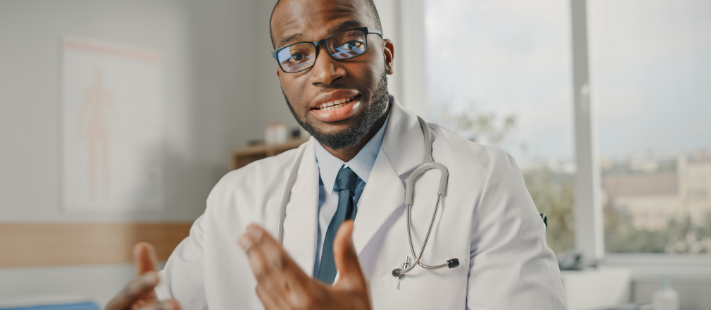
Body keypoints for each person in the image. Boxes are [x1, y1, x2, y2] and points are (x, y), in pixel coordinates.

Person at [106, 0, 568, 309]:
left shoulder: (483, 179)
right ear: (282, 76)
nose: (325, 71)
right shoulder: (236, 197)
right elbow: (166, 300)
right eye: (296, 54)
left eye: (348, 43)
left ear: (386, 55)